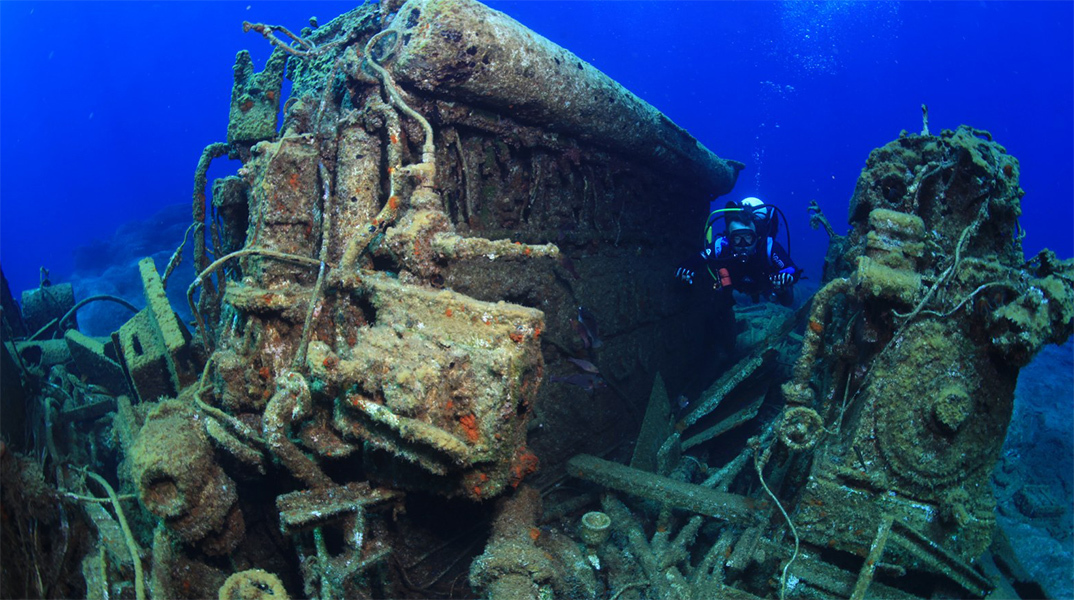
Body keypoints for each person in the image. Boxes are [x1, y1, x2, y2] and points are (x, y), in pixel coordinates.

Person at [675, 197, 801, 308]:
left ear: (757, 237)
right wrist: (686, 267)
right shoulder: (722, 245)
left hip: (765, 286)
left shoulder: (768, 247)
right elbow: (699, 258)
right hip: (735, 287)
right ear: (729, 238)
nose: (743, 246)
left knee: (786, 299)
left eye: (748, 238)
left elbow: (792, 269)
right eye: (736, 239)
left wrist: (785, 277)